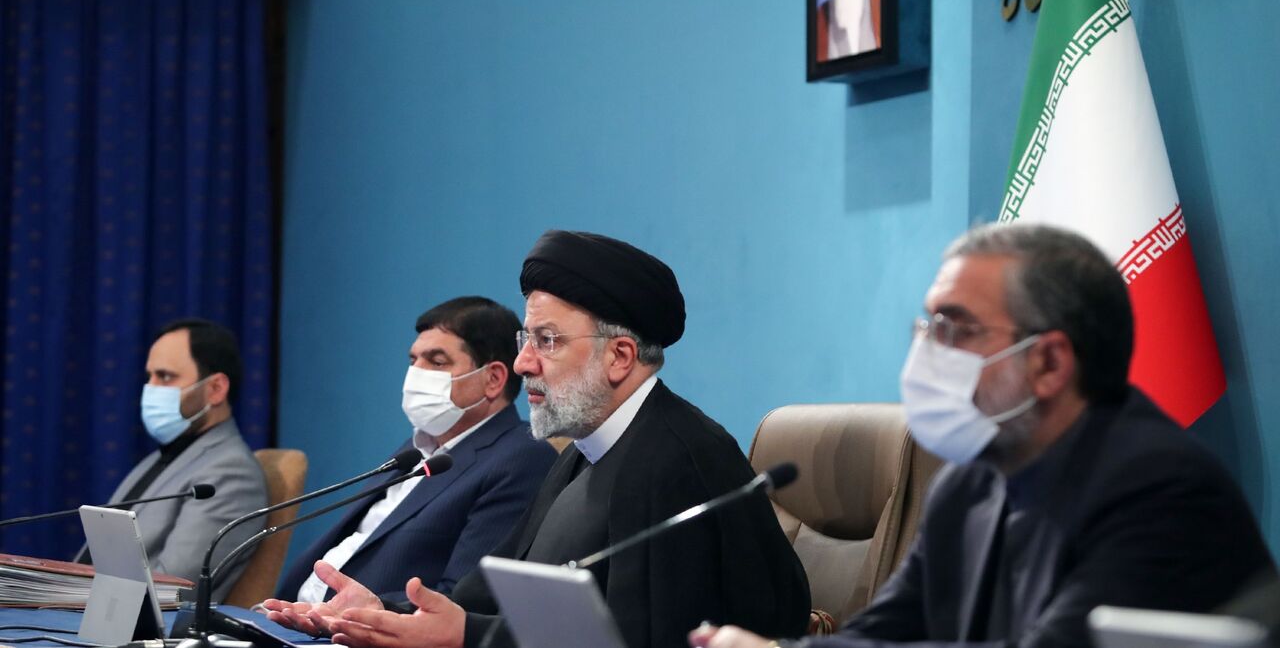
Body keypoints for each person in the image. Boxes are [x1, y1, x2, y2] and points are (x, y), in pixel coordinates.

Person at [690, 223, 1277, 648]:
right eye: (927, 326)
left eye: (955, 329)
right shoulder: (969, 485)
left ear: (1049, 363)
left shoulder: (1159, 490)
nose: (927, 351)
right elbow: (882, 635)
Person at [265, 230, 810, 648]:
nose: (523, 362)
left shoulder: (677, 460)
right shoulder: (582, 454)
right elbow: (485, 594)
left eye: (547, 341)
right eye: (526, 339)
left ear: (620, 357)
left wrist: (464, 635)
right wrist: (385, 614)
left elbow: (639, 639)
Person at [270, 297, 556, 602]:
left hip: (354, 625)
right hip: (290, 615)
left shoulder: (519, 459)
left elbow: (464, 599)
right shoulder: (416, 450)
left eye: (437, 362)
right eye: (413, 360)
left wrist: (362, 612)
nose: (416, 373)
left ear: (493, 379)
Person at [76, 318, 268, 601]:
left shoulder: (231, 473)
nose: (150, 389)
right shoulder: (162, 458)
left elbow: (172, 589)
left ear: (216, 389)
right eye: (150, 376)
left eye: (165, 377)